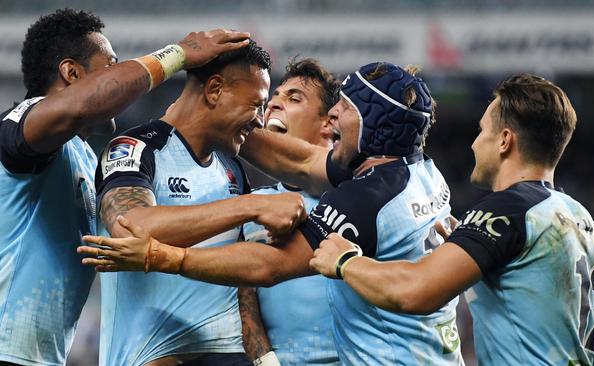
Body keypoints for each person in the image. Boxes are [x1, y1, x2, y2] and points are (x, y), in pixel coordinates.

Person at [79, 62, 465, 365]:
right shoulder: (423, 172)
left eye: (344, 107)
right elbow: (296, 163)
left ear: (370, 123)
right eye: (264, 100)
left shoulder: (360, 198)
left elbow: (268, 266)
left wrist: (163, 256)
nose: (334, 114)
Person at [309, 74, 594, 366]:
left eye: (482, 131)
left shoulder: (507, 211)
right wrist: (469, 244)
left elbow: (416, 291)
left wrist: (345, 261)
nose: (474, 142)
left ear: (504, 140)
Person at [0, 8, 250, 366]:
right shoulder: (22, 123)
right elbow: (79, 106)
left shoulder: (85, 157)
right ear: (72, 73)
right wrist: (177, 55)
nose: (124, 77)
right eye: (112, 65)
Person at [89, 41, 307, 366]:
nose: (260, 121)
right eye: (256, 105)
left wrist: (263, 358)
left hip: (231, 356)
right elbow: (130, 228)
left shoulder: (231, 167)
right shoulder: (136, 148)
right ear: (215, 90)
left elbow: (244, 283)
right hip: (154, 357)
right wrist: (251, 206)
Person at [237, 58, 341, 365]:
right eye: (275, 97)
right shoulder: (253, 204)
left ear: (329, 123)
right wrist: (264, 359)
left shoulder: (356, 194)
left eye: (294, 98)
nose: (274, 104)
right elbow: (245, 292)